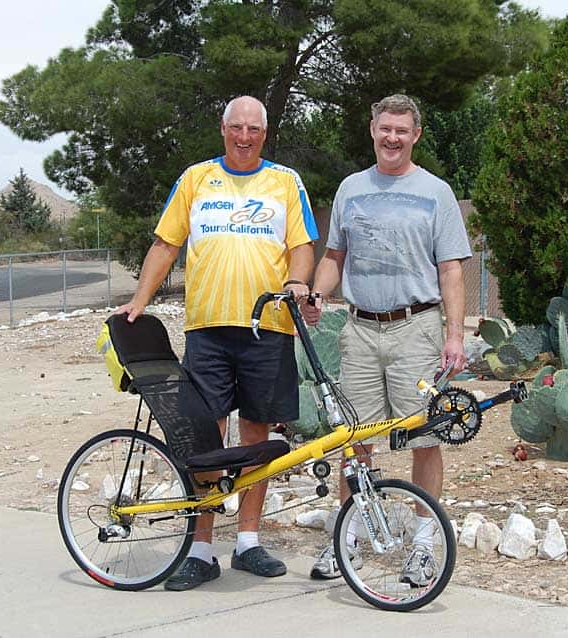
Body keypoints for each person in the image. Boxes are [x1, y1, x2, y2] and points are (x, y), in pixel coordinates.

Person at [116, 95, 318, 591]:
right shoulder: (195, 178)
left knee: (256, 437)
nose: (244, 136)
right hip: (206, 329)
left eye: (253, 129)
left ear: (264, 134)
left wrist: (297, 284)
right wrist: (139, 301)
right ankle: (202, 549)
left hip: (267, 328)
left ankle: (248, 542)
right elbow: (167, 244)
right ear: (223, 129)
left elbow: (303, 247)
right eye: (236, 128)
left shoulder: (286, 182)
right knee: (204, 438)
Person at [301, 94, 472, 583]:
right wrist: (316, 292)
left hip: (416, 331)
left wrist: (454, 336)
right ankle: (348, 539)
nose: (392, 137)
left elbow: (451, 270)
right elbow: (334, 256)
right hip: (359, 329)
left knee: (424, 439)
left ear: (415, 135)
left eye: (402, 130)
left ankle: (422, 545)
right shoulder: (351, 189)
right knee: (354, 440)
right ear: (372, 130)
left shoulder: (436, 192)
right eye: (384, 129)